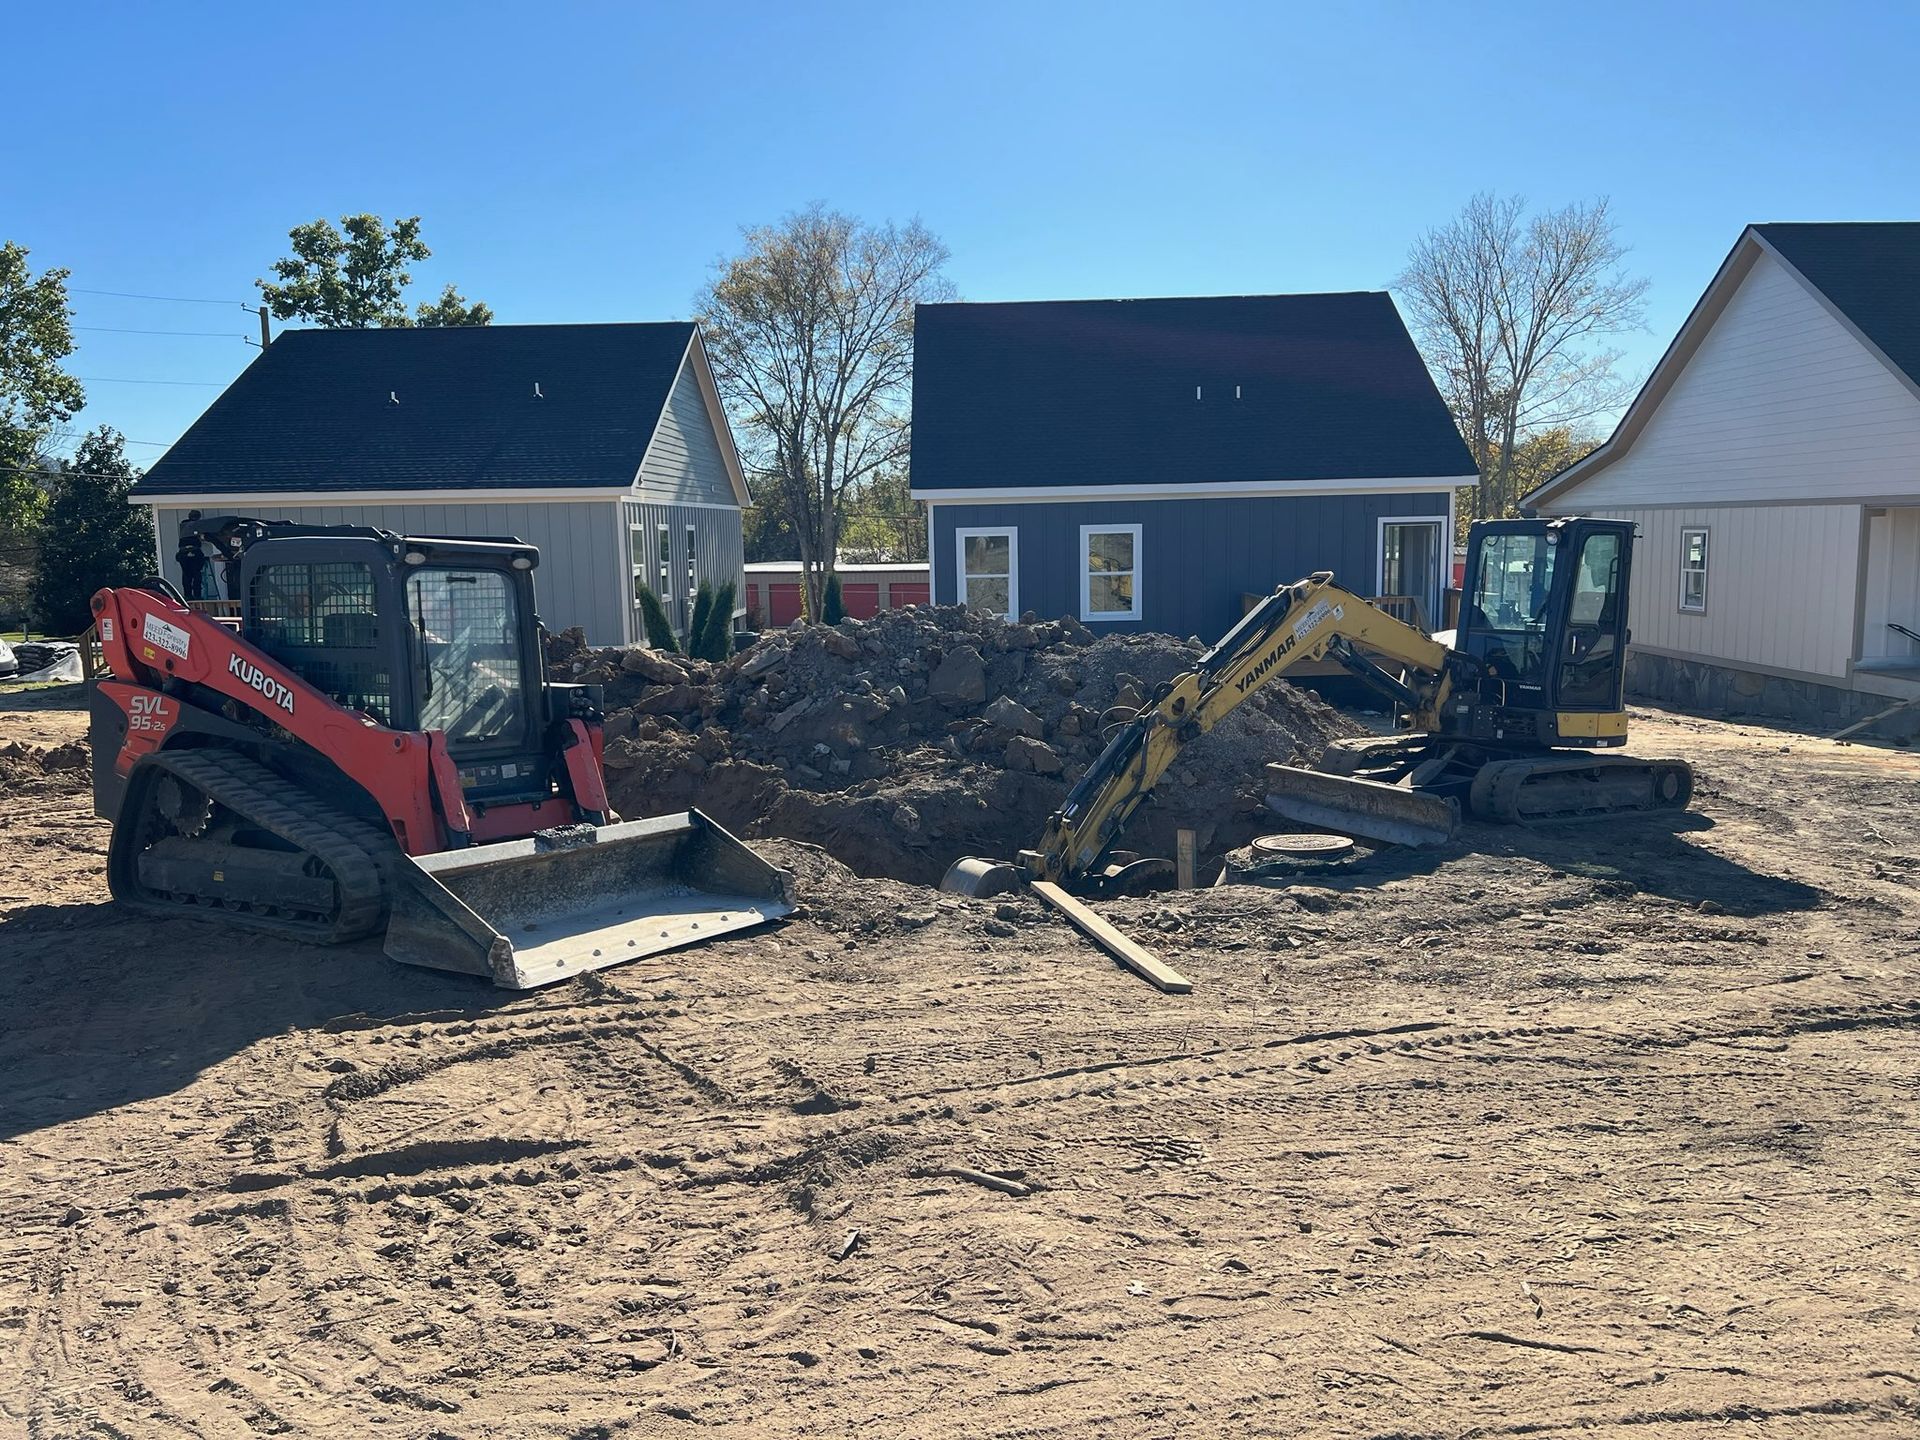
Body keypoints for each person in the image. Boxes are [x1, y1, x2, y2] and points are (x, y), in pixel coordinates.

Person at [174, 510, 206, 601]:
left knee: (186, 574)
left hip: (183, 552)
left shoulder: (184, 524)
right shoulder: (198, 524)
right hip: (194, 551)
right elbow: (202, 537)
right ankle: (197, 595)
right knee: (196, 574)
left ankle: (188, 595)